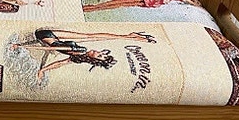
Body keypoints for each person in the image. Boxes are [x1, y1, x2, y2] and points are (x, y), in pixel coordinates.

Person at [14, 28, 156, 79]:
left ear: (93, 60)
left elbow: (56, 59)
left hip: (45, 35)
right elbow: (58, 58)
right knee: (90, 36)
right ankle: (129, 36)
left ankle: (130, 36)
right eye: (102, 53)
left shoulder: (80, 54)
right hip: (51, 37)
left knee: (90, 36)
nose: (99, 52)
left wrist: (43, 69)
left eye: (99, 55)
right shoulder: (80, 56)